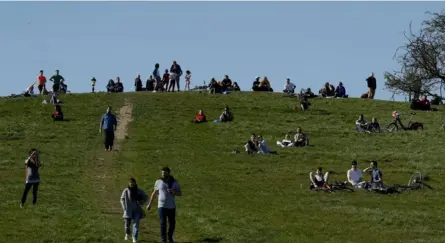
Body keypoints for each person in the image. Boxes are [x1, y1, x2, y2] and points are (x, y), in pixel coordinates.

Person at [147, 167, 182, 243]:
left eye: (165, 173)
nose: (163, 174)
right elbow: (154, 193)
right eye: (162, 173)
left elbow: (180, 193)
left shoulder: (175, 182)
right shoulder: (158, 181)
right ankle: (164, 240)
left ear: (169, 173)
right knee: (163, 223)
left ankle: (170, 237)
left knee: (172, 223)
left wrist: (174, 192)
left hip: (171, 206)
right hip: (161, 206)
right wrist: (150, 204)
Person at [120, 178, 148, 243]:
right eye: (130, 182)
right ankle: (127, 233)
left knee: (136, 225)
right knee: (127, 225)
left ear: (135, 183)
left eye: (133, 182)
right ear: (128, 183)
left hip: (136, 210)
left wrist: (141, 202)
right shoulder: (126, 191)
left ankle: (134, 238)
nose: (131, 183)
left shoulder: (138, 191)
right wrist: (124, 207)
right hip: (128, 210)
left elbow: (146, 197)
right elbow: (122, 199)